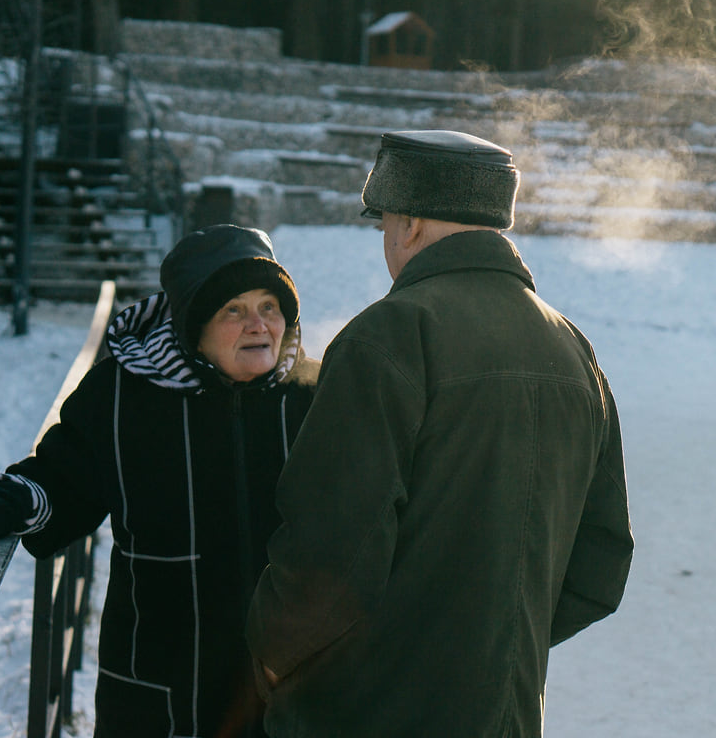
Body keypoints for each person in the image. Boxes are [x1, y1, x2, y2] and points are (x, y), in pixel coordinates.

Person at [246, 130, 634, 737]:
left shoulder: (388, 335)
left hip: (369, 714)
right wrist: (492, 645)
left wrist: (269, 659)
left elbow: (331, 551)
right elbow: (601, 565)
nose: (387, 246)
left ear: (411, 222)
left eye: (384, 229)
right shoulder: (572, 348)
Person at [0, 224, 320, 738]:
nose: (258, 325)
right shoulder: (125, 395)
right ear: (192, 324)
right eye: (234, 309)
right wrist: (7, 501)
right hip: (159, 691)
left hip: (286, 695)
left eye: (269, 307)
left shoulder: (314, 399)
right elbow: (64, 479)